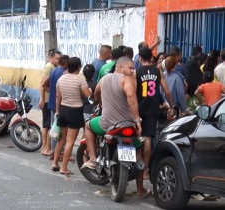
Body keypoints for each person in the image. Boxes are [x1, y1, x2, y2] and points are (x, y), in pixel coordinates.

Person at [83, 57, 151, 198]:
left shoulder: (104, 79)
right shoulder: (127, 80)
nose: (133, 71)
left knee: (88, 126)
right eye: (130, 68)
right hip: (128, 125)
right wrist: (137, 120)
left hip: (107, 124)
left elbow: (96, 94)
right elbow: (131, 96)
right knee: (138, 151)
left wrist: (100, 103)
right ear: (120, 67)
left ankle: (93, 159)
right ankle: (140, 189)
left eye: (133, 68)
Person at [136, 47, 174, 179]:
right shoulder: (157, 71)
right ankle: (145, 170)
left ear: (140, 58)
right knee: (147, 139)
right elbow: (167, 91)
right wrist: (171, 106)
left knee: (136, 138)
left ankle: (135, 165)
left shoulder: (136, 72)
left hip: (138, 109)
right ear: (152, 58)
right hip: (152, 109)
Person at [51, 57, 91, 175]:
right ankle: (64, 167)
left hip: (63, 110)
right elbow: (87, 95)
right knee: (70, 141)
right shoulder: (80, 79)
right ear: (79, 67)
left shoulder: (61, 79)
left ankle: (55, 163)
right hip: (75, 111)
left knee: (61, 140)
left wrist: (57, 111)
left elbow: (58, 96)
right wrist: (90, 90)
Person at [42, 54, 69, 160]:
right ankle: (60, 153)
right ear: (66, 63)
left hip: (53, 103)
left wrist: (51, 91)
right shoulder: (64, 73)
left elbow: (44, 84)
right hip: (61, 104)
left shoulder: (54, 71)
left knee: (54, 128)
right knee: (62, 130)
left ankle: (54, 152)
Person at [39, 49, 61, 156]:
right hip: (47, 100)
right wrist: (42, 99)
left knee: (48, 125)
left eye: (59, 59)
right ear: (50, 57)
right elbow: (42, 84)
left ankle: (46, 147)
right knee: (47, 125)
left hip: (49, 99)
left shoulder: (53, 68)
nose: (58, 60)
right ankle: (45, 148)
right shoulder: (49, 67)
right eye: (56, 58)